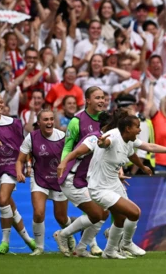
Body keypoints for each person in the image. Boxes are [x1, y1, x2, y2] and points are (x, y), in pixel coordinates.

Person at [61, 110, 166, 259]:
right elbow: (104, 144)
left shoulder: (129, 139)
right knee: (134, 212)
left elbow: (147, 148)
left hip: (113, 183)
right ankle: (126, 243)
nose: (140, 129)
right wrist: (100, 144)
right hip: (99, 188)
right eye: (137, 126)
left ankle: (109, 251)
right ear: (128, 128)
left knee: (120, 217)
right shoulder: (112, 137)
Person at [0, 87, 36, 254]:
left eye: (1, 102)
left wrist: (26, 164)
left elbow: (24, 146)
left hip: (11, 165)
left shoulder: (14, 123)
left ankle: (5, 242)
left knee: (4, 199)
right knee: (8, 204)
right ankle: (28, 239)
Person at [55, 87, 107, 257]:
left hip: (94, 175)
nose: (101, 101)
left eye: (103, 98)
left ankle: (84, 246)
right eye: (97, 98)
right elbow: (68, 146)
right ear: (87, 100)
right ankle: (71, 238)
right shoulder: (76, 121)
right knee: (96, 213)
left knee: (103, 211)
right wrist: (63, 165)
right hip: (76, 174)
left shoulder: (106, 120)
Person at [15, 109, 71, 256]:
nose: (49, 122)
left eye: (51, 119)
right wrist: (19, 172)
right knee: (39, 213)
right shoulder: (31, 138)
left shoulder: (62, 137)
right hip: (39, 178)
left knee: (61, 217)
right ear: (39, 123)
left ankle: (69, 235)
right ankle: (39, 247)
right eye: (45, 120)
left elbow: (71, 158)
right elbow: (20, 159)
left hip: (59, 180)